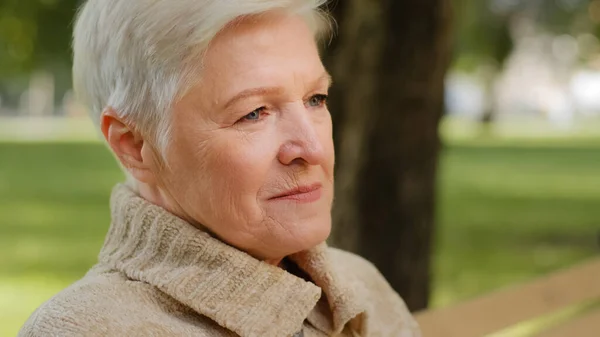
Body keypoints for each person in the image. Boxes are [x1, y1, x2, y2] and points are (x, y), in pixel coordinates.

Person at [18, 1, 421, 336]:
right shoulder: (83, 329)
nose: (312, 148)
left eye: (315, 99)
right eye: (254, 113)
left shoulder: (363, 287)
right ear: (134, 144)